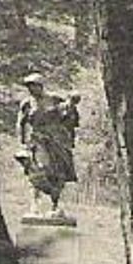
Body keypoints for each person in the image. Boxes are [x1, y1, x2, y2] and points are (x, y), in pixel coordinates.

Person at [14, 73, 80, 219]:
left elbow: (69, 115)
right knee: (37, 169)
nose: (31, 89)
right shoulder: (27, 103)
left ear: (40, 86)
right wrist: (22, 142)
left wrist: (71, 105)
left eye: (33, 86)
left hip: (57, 140)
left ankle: (55, 206)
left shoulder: (54, 98)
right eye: (29, 86)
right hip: (37, 140)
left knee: (58, 173)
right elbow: (21, 123)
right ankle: (34, 206)